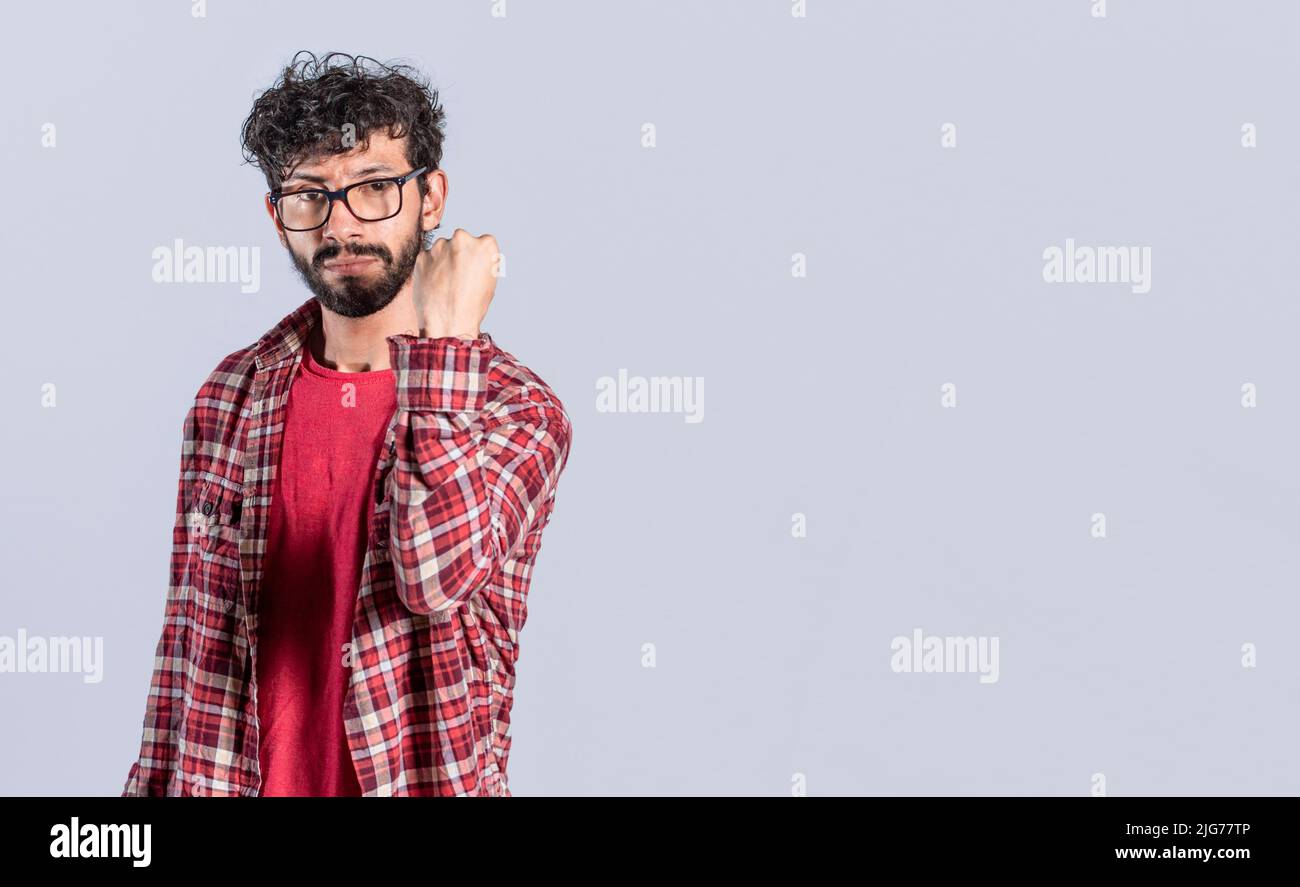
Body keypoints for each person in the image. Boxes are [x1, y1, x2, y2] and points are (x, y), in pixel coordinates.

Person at [122, 51, 573, 797]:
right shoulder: (230, 395)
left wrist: (447, 350)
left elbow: (436, 579)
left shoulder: (515, 407)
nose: (341, 225)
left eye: (373, 189)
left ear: (432, 199)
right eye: (310, 197)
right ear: (278, 217)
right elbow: (183, 653)